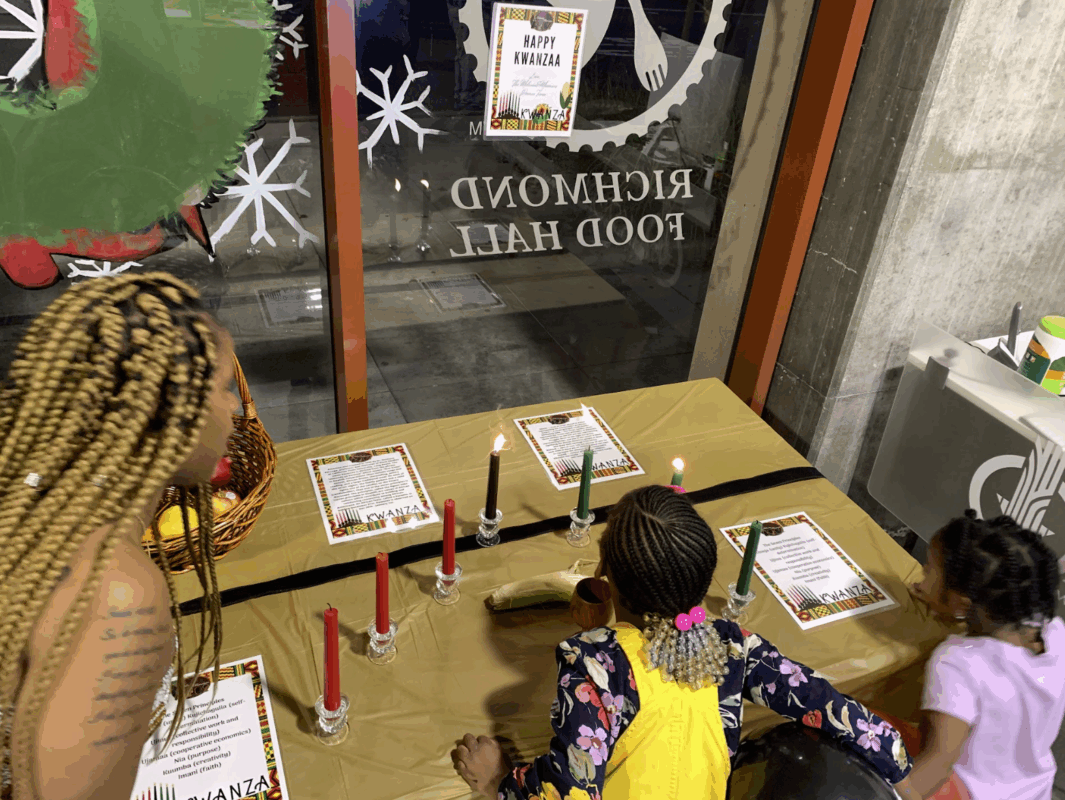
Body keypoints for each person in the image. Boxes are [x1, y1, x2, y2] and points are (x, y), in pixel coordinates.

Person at [452, 484, 917, 800]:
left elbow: (569, 790)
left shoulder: (594, 663)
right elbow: (855, 723)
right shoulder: (734, 646)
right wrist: (901, 772)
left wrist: (498, 780)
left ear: (603, 575)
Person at [0, 273, 239, 800]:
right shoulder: (115, 597)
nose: (236, 410)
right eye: (223, 388)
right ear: (161, 408)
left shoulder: (34, 491)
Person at [900, 511, 1063, 800]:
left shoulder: (957, 662)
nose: (921, 582)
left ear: (961, 602)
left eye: (928, 573)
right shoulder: (1056, 634)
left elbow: (937, 766)